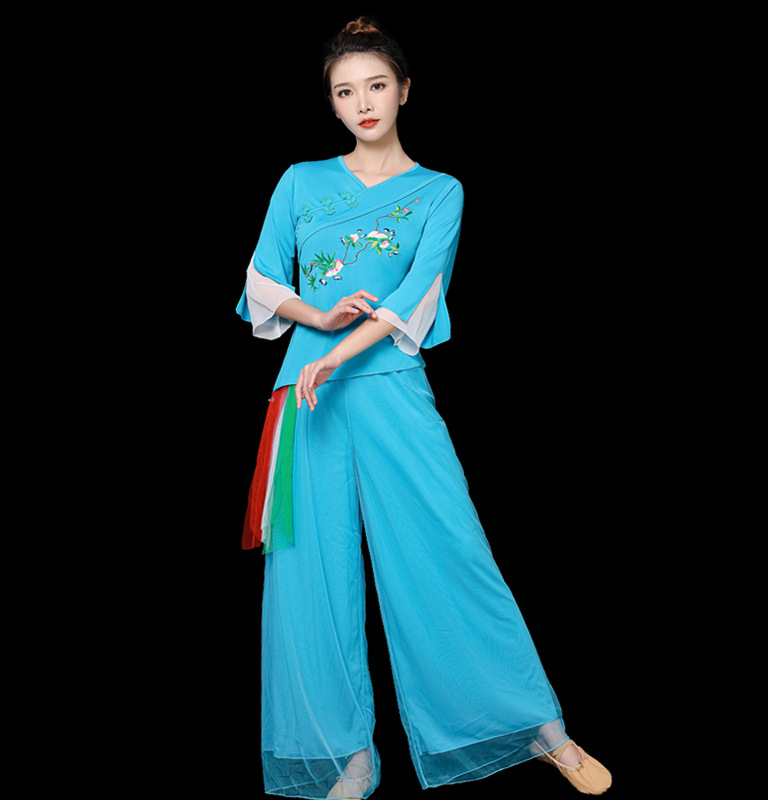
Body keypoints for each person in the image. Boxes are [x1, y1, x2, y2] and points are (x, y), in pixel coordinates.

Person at [236, 17, 612, 799]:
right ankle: (348, 756)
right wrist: (318, 321)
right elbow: (262, 281)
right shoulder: (300, 180)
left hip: (387, 384)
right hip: (305, 395)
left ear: (404, 90)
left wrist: (340, 348)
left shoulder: (440, 191)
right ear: (332, 103)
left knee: (448, 546)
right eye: (345, 92)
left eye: (376, 85)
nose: (363, 104)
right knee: (311, 574)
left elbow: (418, 294)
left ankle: (540, 729)